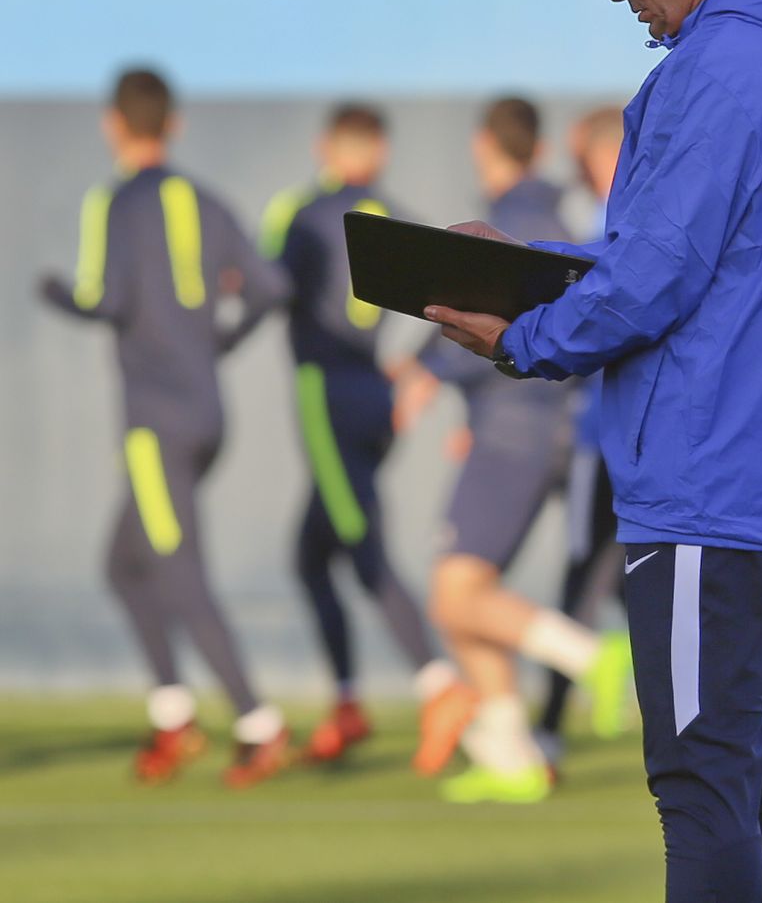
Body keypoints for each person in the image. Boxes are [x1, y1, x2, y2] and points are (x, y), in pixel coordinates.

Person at [423, 0, 762, 902]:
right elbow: (691, 255)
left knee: (705, 788)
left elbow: (655, 278)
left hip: (709, 485)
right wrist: (527, 261)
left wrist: (519, 336)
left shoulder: (716, 70)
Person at [38, 67, 292, 786]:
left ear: (114, 125)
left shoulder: (113, 201)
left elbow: (104, 297)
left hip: (154, 423)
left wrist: (57, 293)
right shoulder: (205, 200)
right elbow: (272, 288)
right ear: (172, 124)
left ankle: (256, 722)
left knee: (177, 570)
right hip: (210, 414)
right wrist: (224, 340)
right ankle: (175, 718)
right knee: (125, 565)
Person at [390, 96, 631, 805]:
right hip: (534, 422)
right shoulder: (556, 212)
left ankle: (590, 657)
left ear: (483, 144)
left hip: (516, 425)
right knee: (463, 596)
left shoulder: (518, 218)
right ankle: (510, 753)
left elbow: (491, 323)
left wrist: (428, 373)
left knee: (454, 592)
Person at [259, 103, 467, 769]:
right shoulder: (392, 214)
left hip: (325, 390)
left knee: (360, 542)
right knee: (311, 555)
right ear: (378, 151)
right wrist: (415, 376)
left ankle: (440, 684)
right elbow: (454, 299)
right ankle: (348, 703)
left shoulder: (299, 211)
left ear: (328, 146)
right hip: (376, 398)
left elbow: (267, 288)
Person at [536, 106, 628, 765]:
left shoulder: (612, 224)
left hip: (609, 437)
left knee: (583, 572)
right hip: (643, 437)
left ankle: (549, 720)